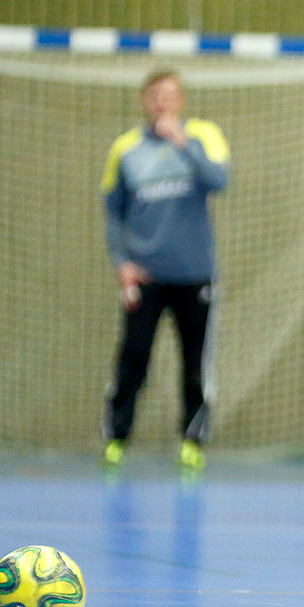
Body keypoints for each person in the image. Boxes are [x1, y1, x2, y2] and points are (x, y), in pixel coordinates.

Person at [100, 69, 229, 471]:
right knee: (133, 357)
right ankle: (115, 439)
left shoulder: (204, 136)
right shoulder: (125, 148)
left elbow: (218, 180)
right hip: (146, 277)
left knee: (194, 361)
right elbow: (112, 212)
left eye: (171, 95)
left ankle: (193, 441)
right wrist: (122, 263)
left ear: (182, 101)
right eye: (156, 95)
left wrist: (183, 143)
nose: (163, 102)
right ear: (144, 100)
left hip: (195, 276)